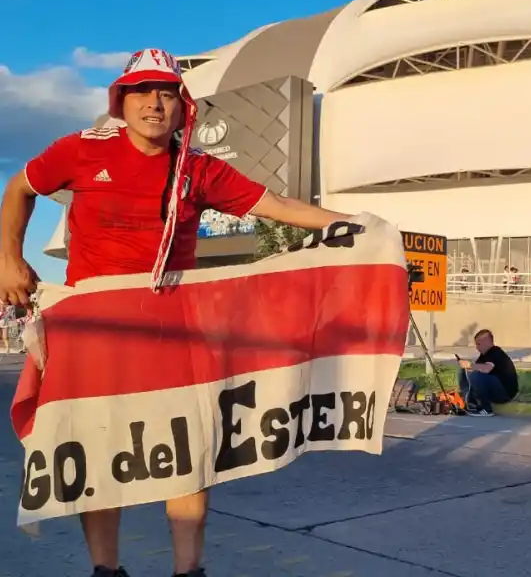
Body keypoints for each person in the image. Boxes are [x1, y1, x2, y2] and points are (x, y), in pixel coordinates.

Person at [0, 49, 352, 577]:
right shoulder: (78, 150)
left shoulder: (197, 168)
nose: (155, 103)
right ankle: (106, 569)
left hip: (176, 329)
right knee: (98, 454)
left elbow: (276, 206)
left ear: (182, 104)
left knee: (189, 452)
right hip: (97, 330)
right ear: (121, 101)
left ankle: (188, 571)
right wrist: (8, 258)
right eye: (142, 92)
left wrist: (354, 223)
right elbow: (20, 188)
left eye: (166, 92)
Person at [456, 329, 518, 417]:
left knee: (476, 376)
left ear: (487, 342)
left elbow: (486, 368)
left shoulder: (496, 352)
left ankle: (486, 409)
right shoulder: (484, 355)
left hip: (505, 393)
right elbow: (474, 369)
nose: (477, 347)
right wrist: (465, 366)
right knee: (466, 371)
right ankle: (469, 402)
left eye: (478, 344)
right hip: (495, 389)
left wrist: (470, 365)